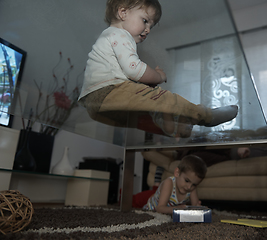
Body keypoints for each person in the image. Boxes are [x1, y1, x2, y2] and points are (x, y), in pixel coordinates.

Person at [78, 0, 238, 138]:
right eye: (145, 21)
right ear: (123, 12)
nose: (148, 29)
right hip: (108, 91)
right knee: (163, 99)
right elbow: (134, 69)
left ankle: (177, 129)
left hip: (94, 103)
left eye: (151, 26)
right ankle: (206, 115)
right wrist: (158, 76)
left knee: (143, 116)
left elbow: (125, 73)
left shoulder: (108, 36)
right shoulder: (120, 35)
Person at [141, 155, 207, 215]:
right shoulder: (169, 183)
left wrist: (199, 208)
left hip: (169, 212)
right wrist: (177, 209)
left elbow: (195, 206)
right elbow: (160, 208)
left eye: (194, 185)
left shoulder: (192, 188)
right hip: (151, 210)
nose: (189, 187)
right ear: (177, 173)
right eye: (187, 181)